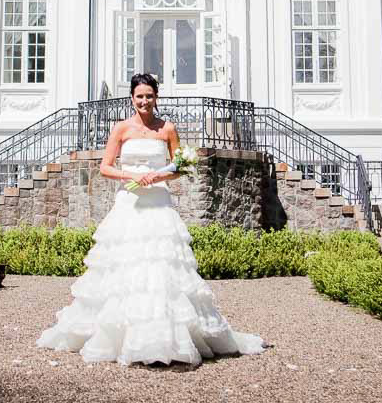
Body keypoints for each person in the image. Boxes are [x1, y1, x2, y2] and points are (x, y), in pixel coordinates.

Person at [36, 72, 266, 366]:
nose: (144, 101)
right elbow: (106, 167)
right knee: (126, 262)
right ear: (132, 98)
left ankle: (164, 335)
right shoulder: (121, 128)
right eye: (139, 96)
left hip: (157, 201)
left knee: (161, 265)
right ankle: (121, 333)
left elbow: (180, 166)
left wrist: (158, 176)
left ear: (156, 97)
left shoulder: (167, 129)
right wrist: (131, 175)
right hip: (130, 201)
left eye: (149, 96)